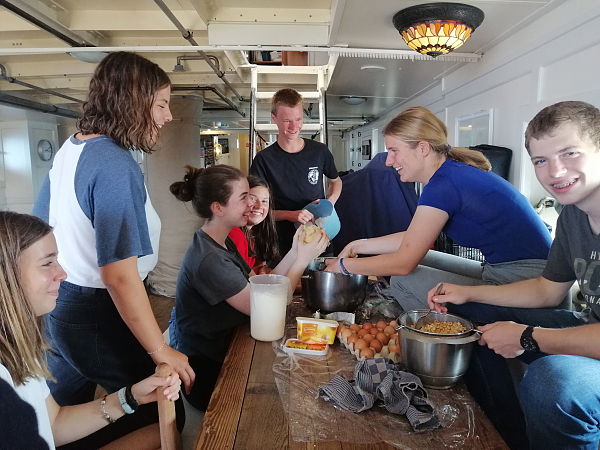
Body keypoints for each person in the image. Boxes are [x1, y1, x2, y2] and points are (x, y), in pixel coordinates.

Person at [427, 101, 600, 450]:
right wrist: (469, 293)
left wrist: (526, 337)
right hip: (587, 325)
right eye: (541, 160)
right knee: (472, 319)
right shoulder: (572, 216)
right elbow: (546, 292)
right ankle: (508, 435)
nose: (555, 171)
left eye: (569, 153)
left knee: (551, 381)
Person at [32, 52, 194, 411]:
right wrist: (160, 349)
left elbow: (38, 229)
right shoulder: (114, 164)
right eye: (163, 104)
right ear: (134, 102)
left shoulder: (71, 148)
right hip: (95, 310)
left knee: (61, 416)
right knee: (160, 414)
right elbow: (119, 277)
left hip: (62, 306)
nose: (168, 116)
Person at [325, 106, 554, 313]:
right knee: (426, 256)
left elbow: (403, 264)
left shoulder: (443, 185)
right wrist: (357, 245)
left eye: (394, 150)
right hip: (507, 270)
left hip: (526, 282)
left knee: (402, 280)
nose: (388, 161)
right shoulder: (450, 174)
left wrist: (344, 266)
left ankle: (440, 336)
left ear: (422, 148)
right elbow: (413, 238)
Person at [0, 211, 181, 450]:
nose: (62, 274)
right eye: (47, 263)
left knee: (157, 433)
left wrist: (131, 396)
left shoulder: (17, 346)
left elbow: (53, 424)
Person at [169, 165, 328, 411]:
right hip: (211, 373)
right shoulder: (210, 259)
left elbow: (266, 283)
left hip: (228, 349)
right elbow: (266, 308)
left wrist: (297, 250)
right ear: (218, 208)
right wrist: (303, 259)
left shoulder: (221, 242)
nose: (252, 205)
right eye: (244, 198)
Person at [249, 88, 342, 257]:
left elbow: (336, 181)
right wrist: (290, 215)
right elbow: (256, 210)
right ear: (274, 118)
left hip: (319, 238)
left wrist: (329, 204)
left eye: (298, 119)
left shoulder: (319, 151)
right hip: (282, 244)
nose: (294, 126)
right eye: (287, 121)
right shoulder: (263, 160)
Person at [228, 175, 279, 273]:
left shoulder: (254, 234)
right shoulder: (235, 234)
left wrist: (261, 269)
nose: (259, 206)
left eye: (264, 201)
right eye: (253, 199)